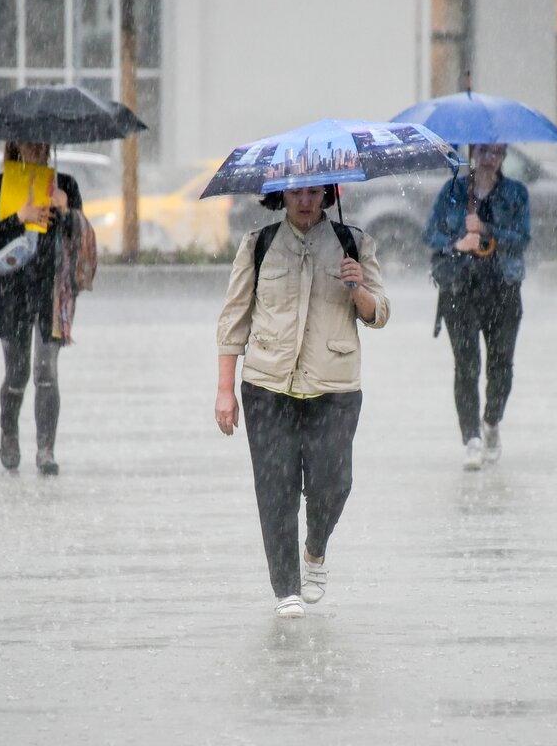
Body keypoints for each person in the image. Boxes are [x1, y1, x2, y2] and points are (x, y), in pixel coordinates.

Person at [215, 184, 390, 619]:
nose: (306, 201)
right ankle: (286, 588)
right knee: (276, 489)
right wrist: (224, 390)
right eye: (297, 193)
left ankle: (315, 549)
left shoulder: (355, 243)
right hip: (267, 385)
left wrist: (358, 289)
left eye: (314, 192)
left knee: (334, 484)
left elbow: (380, 313)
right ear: (282, 196)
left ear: (328, 195)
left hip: (335, 387)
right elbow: (233, 319)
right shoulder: (258, 245)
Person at [0, 141, 96, 475]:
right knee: (17, 373)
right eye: (29, 142)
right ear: (16, 146)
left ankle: (46, 450)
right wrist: (20, 218)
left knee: (46, 372)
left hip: (51, 290)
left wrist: (67, 211)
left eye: (42, 143)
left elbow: (80, 237)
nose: (36, 149)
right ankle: (9, 432)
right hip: (12, 291)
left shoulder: (65, 184)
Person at [423, 143, 530, 470]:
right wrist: (458, 242)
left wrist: (486, 230)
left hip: (503, 289)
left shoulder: (516, 193)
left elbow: (522, 238)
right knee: (467, 367)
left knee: (501, 366)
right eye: (483, 151)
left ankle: (491, 421)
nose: (489, 158)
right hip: (460, 291)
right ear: (473, 154)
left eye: (497, 152)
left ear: (505, 156)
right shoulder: (454, 191)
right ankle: (471, 438)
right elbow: (430, 234)